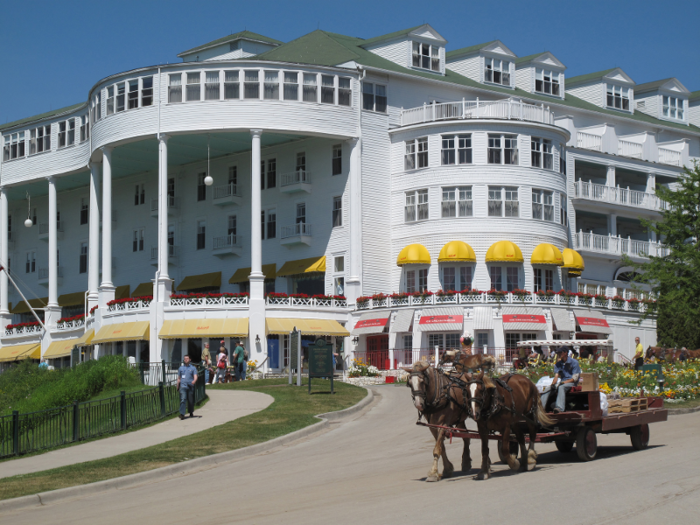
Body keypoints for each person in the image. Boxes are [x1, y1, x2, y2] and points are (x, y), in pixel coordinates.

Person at [540, 347, 581, 414]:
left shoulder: (574, 362)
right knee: (547, 389)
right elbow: (556, 376)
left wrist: (563, 382)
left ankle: (559, 408)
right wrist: (552, 385)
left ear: (565, 353)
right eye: (558, 352)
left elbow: (575, 378)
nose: (558, 354)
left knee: (561, 387)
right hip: (562, 382)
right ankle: (541, 408)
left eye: (560, 352)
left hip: (571, 382)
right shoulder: (558, 364)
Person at [177, 355, 198, 419]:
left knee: (190, 401)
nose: (185, 360)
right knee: (183, 399)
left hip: (190, 386)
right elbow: (179, 378)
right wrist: (177, 386)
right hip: (183, 386)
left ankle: (191, 411)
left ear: (190, 359)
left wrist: (194, 381)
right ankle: (182, 414)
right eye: (184, 359)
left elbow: (195, 376)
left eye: (187, 358)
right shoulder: (181, 368)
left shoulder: (193, 368)